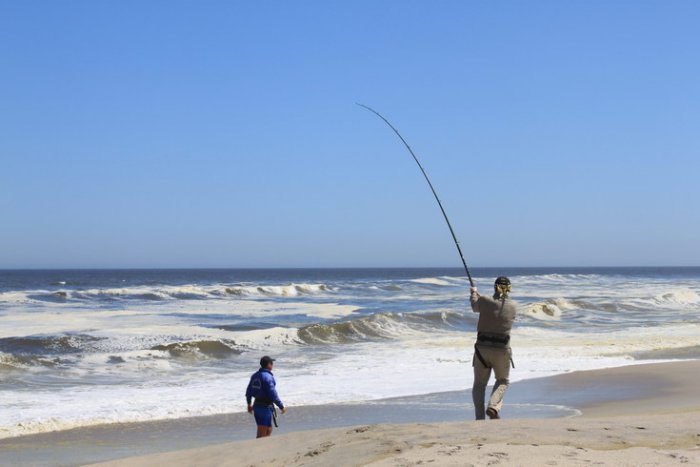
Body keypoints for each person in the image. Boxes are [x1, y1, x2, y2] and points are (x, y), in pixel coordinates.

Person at [470, 276, 516, 420]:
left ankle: (479, 418)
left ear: (494, 287)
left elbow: (475, 307)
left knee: (479, 385)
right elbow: (497, 309)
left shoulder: (484, 300)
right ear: (509, 288)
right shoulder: (513, 306)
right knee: (503, 380)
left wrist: (473, 293)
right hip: (502, 350)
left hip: (482, 350)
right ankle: (493, 406)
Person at [245, 355, 287, 438]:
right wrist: (281, 406)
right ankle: (257, 448)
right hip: (265, 407)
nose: (272, 365)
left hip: (257, 405)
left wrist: (249, 404)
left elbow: (248, 391)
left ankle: (263, 447)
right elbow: (272, 393)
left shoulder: (255, 375)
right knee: (262, 430)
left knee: (268, 428)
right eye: (271, 363)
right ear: (269, 365)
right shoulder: (268, 377)